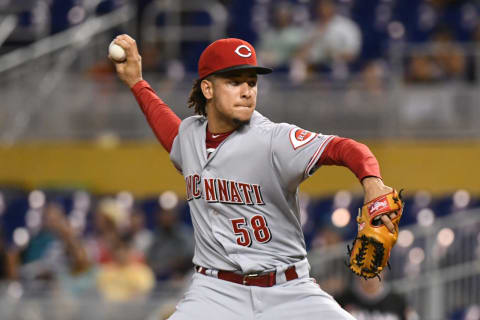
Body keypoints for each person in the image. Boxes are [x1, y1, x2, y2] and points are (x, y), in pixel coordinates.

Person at [110, 34, 400, 320]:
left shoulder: (274, 139)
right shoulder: (190, 136)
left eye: (252, 82)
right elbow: (169, 130)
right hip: (214, 292)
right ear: (208, 89)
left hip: (288, 290)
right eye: (234, 82)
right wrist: (137, 83)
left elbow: (344, 148)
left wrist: (372, 181)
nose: (247, 90)